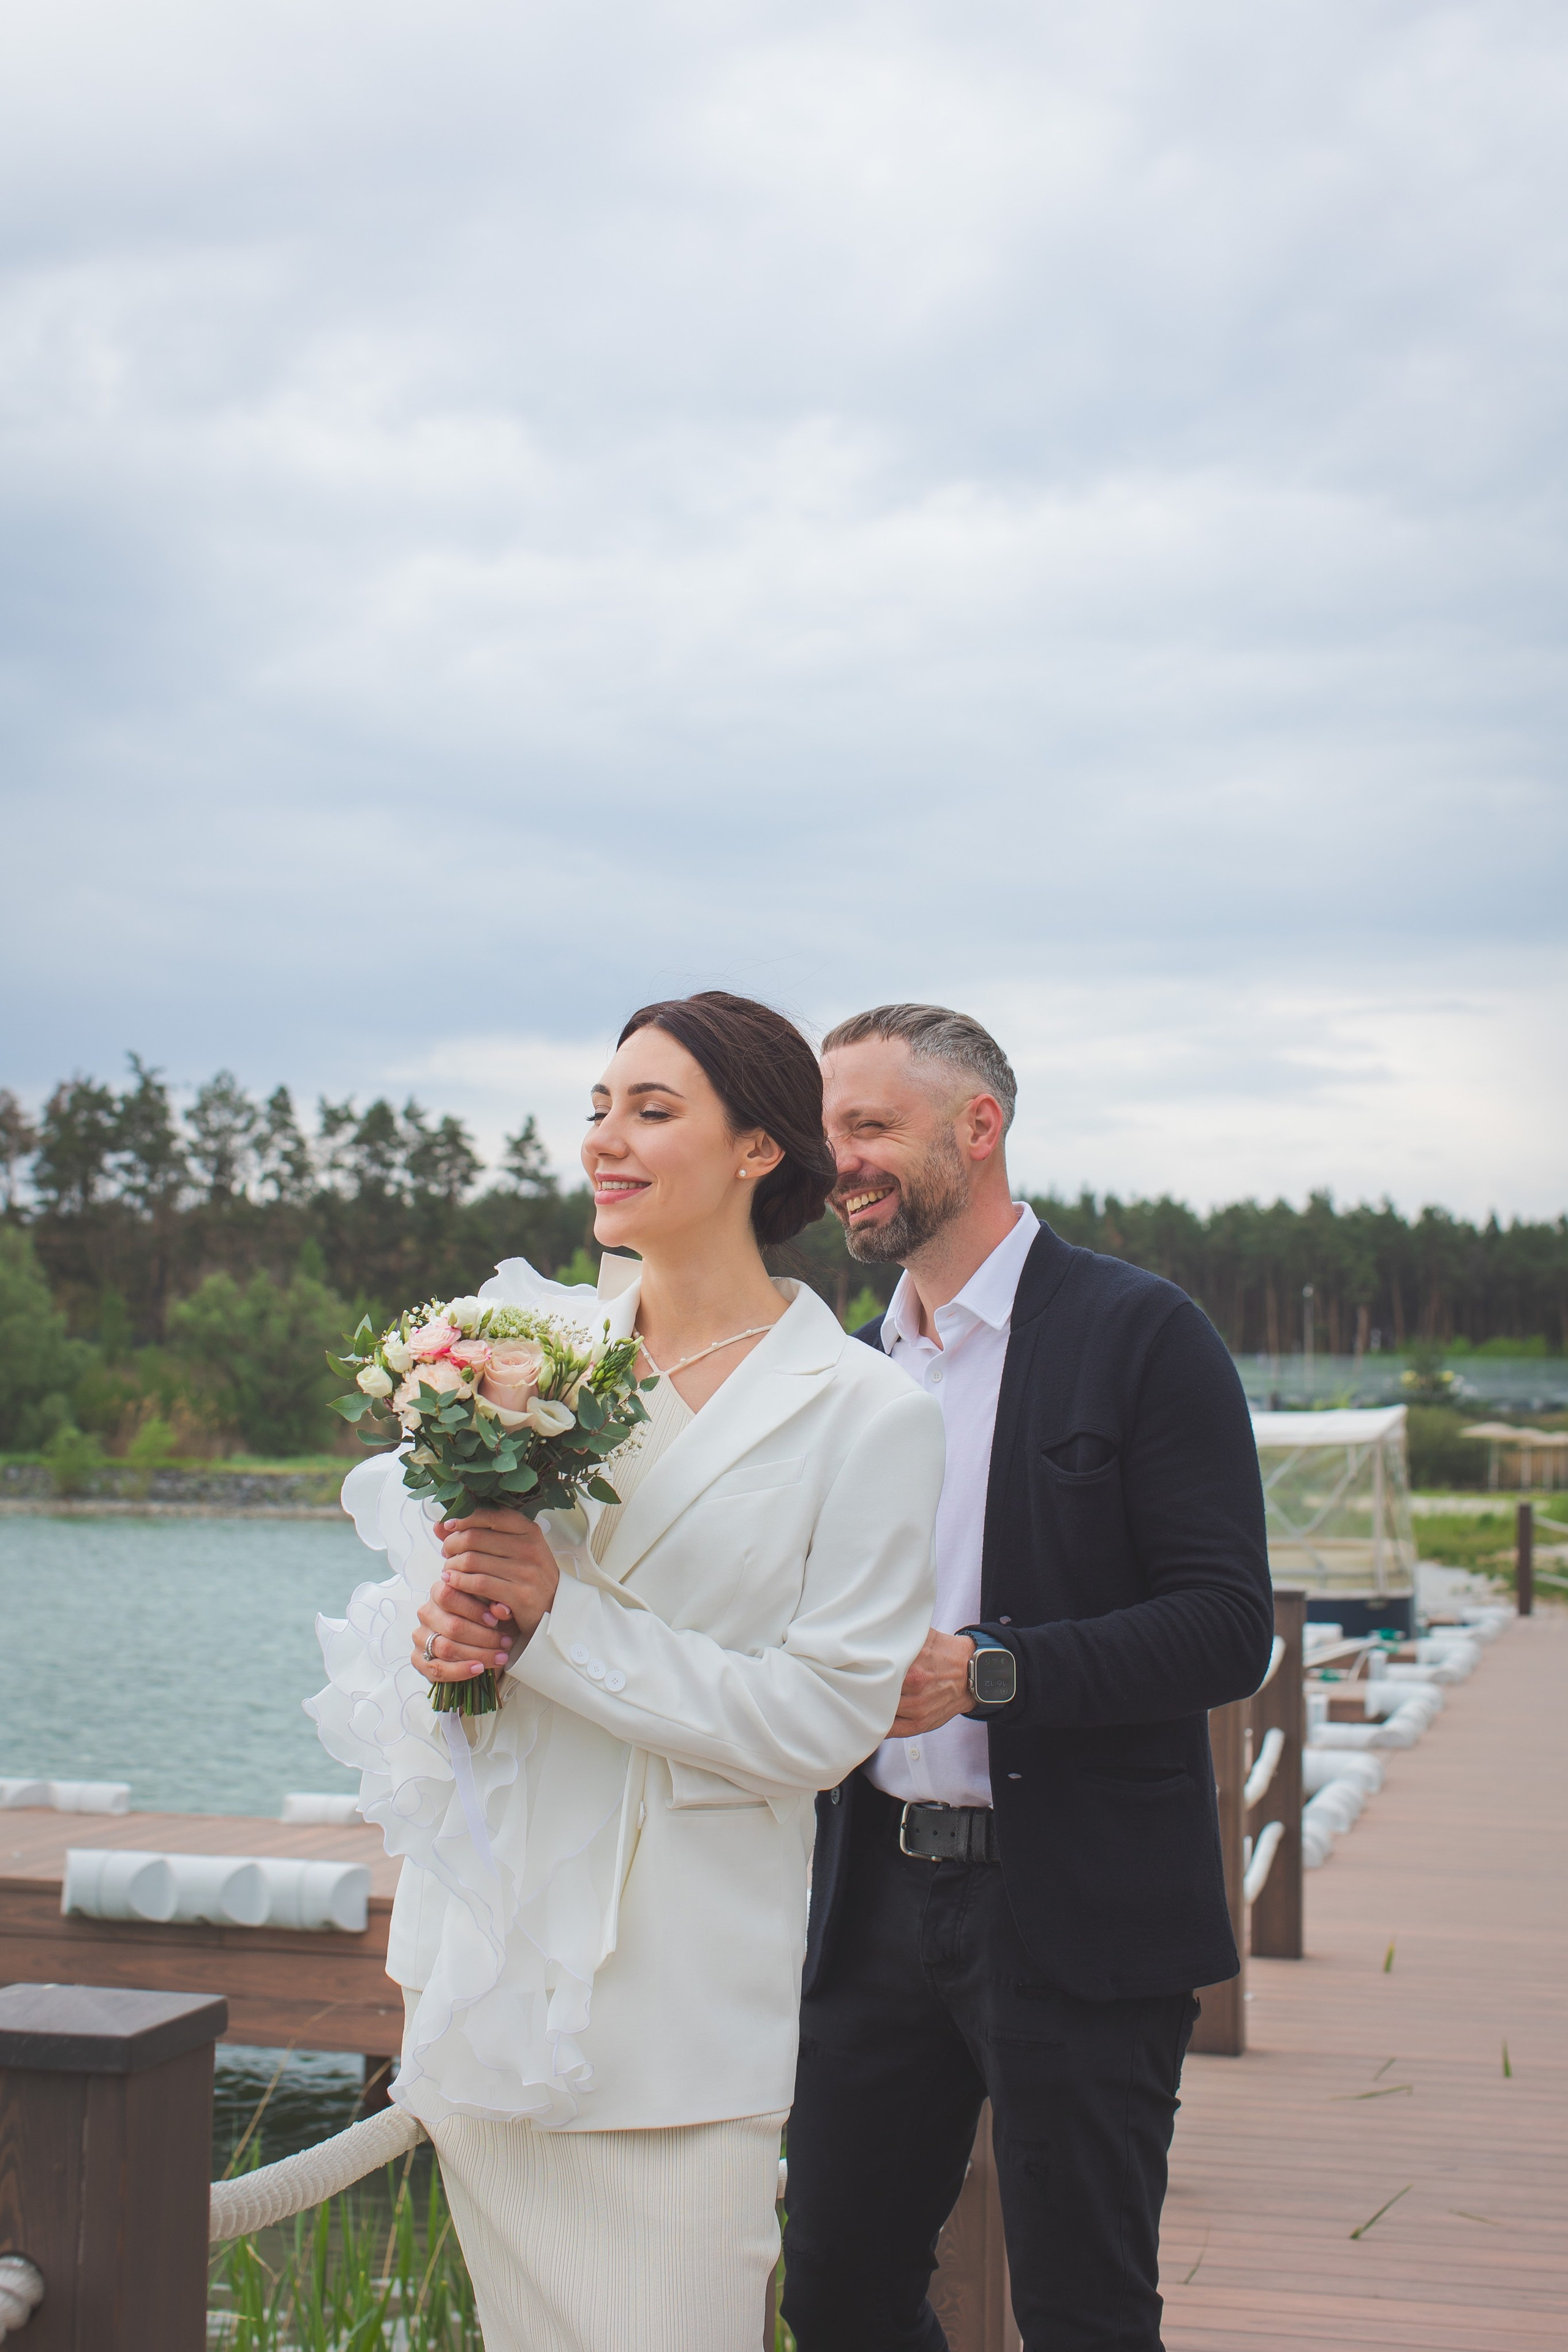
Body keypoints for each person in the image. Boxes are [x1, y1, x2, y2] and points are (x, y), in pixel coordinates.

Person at [309, 990, 943, 2352]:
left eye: (652, 1112)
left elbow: (820, 1726)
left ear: (760, 1149)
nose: (606, 1139)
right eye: (599, 1109)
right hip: (488, 1977)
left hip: (677, 2014)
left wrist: (554, 1629)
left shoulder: (866, 1413)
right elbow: (453, 1629)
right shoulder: (516, 1360)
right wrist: (443, 1643)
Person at [780, 1003, 1274, 2352]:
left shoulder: (1142, 1333)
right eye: (830, 1137)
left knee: (1083, 2316)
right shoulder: (844, 1370)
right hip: (866, 1903)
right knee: (833, 2298)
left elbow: (1228, 1628)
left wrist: (984, 1674)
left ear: (978, 1127)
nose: (842, 1166)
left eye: (870, 1128)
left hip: (1078, 1915)